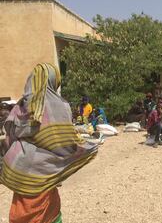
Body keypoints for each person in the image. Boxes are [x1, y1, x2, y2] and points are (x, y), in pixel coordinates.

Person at [0, 63, 98, 223]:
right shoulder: (60, 106)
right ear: (53, 81)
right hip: (45, 170)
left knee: (24, 209)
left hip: (22, 171)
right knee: (47, 210)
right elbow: (64, 141)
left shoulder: (21, 105)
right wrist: (83, 149)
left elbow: (9, 137)